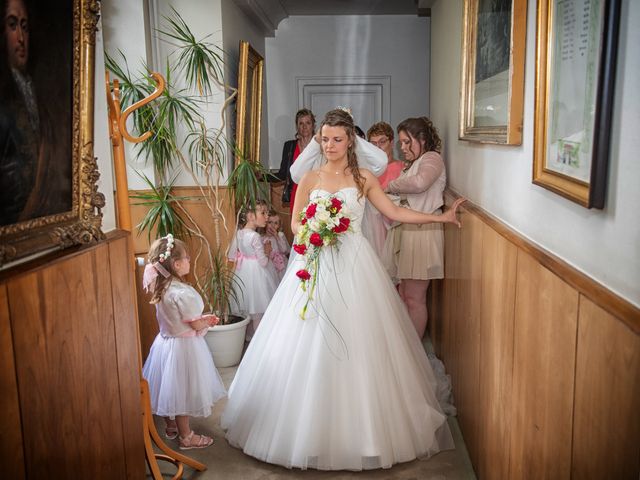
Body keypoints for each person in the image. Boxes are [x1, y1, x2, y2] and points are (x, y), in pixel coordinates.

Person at [221, 109, 464, 471]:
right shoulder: (309, 177)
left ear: (351, 140)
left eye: (337, 139)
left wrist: (439, 217)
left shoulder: (365, 177)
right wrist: (314, 232)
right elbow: (295, 221)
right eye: (324, 139)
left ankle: (363, 429)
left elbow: (395, 214)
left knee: (359, 342)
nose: (330, 145)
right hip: (314, 265)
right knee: (305, 340)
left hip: (354, 265)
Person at [141, 234, 227, 450]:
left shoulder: (160, 287)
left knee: (168, 388)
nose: (190, 261)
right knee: (182, 392)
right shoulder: (182, 293)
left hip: (164, 343)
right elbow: (195, 325)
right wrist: (208, 321)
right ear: (177, 264)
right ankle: (186, 437)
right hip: (183, 349)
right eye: (187, 258)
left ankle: (170, 426)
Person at [0, 0, 71, 225]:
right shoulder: (5, 98)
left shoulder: (35, 92)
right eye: (12, 26)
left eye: (25, 27)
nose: (21, 38)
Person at [383, 117, 447, 339]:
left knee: (415, 298)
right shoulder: (414, 163)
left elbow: (420, 184)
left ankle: (415, 352)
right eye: (400, 143)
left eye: (406, 142)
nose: (402, 148)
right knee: (404, 293)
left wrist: (390, 185)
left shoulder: (432, 158)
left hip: (422, 232)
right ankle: (408, 346)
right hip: (408, 228)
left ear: (421, 139)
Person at [227, 200, 279, 340]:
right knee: (257, 310)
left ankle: (248, 337)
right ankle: (259, 342)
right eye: (263, 213)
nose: (267, 217)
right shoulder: (255, 236)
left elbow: (232, 255)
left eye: (267, 213)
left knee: (248, 307)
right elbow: (263, 262)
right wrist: (267, 251)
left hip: (243, 271)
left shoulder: (239, 233)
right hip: (257, 274)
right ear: (250, 216)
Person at [361, 121, 405, 259]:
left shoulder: (402, 168)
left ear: (391, 143)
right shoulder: (366, 172)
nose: (378, 147)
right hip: (372, 228)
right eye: (373, 144)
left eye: (382, 142)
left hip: (395, 224)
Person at [275, 108, 315, 213]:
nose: (304, 127)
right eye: (301, 123)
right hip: (296, 194)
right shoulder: (289, 146)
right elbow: (282, 174)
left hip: (316, 193)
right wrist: (261, 176)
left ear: (313, 125)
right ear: (297, 126)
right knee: (298, 228)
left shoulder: (321, 146)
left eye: (308, 123)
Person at [262, 208, 289, 282]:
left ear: (279, 226)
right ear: (265, 223)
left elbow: (284, 250)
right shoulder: (262, 238)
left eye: (276, 223)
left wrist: (276, 236)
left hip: (281, 266)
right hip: (270, 266)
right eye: (270, 222)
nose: (273, 225)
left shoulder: (280, 235)